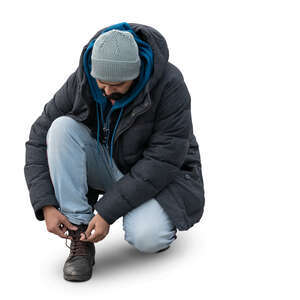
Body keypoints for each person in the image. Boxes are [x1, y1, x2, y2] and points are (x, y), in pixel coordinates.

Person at [24, 22, 205, 282]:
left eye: (117, 85)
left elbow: (163, 161)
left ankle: (145, 211)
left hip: (161, 174)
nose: (107, 92)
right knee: (60, 129)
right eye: (102, 84)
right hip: (112, 162)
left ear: (136, 74)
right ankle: (80, 231)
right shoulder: (83, 79)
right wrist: (46, 204)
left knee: (148, 237)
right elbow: (38, 138)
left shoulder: (170, 86)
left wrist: (108, 210)